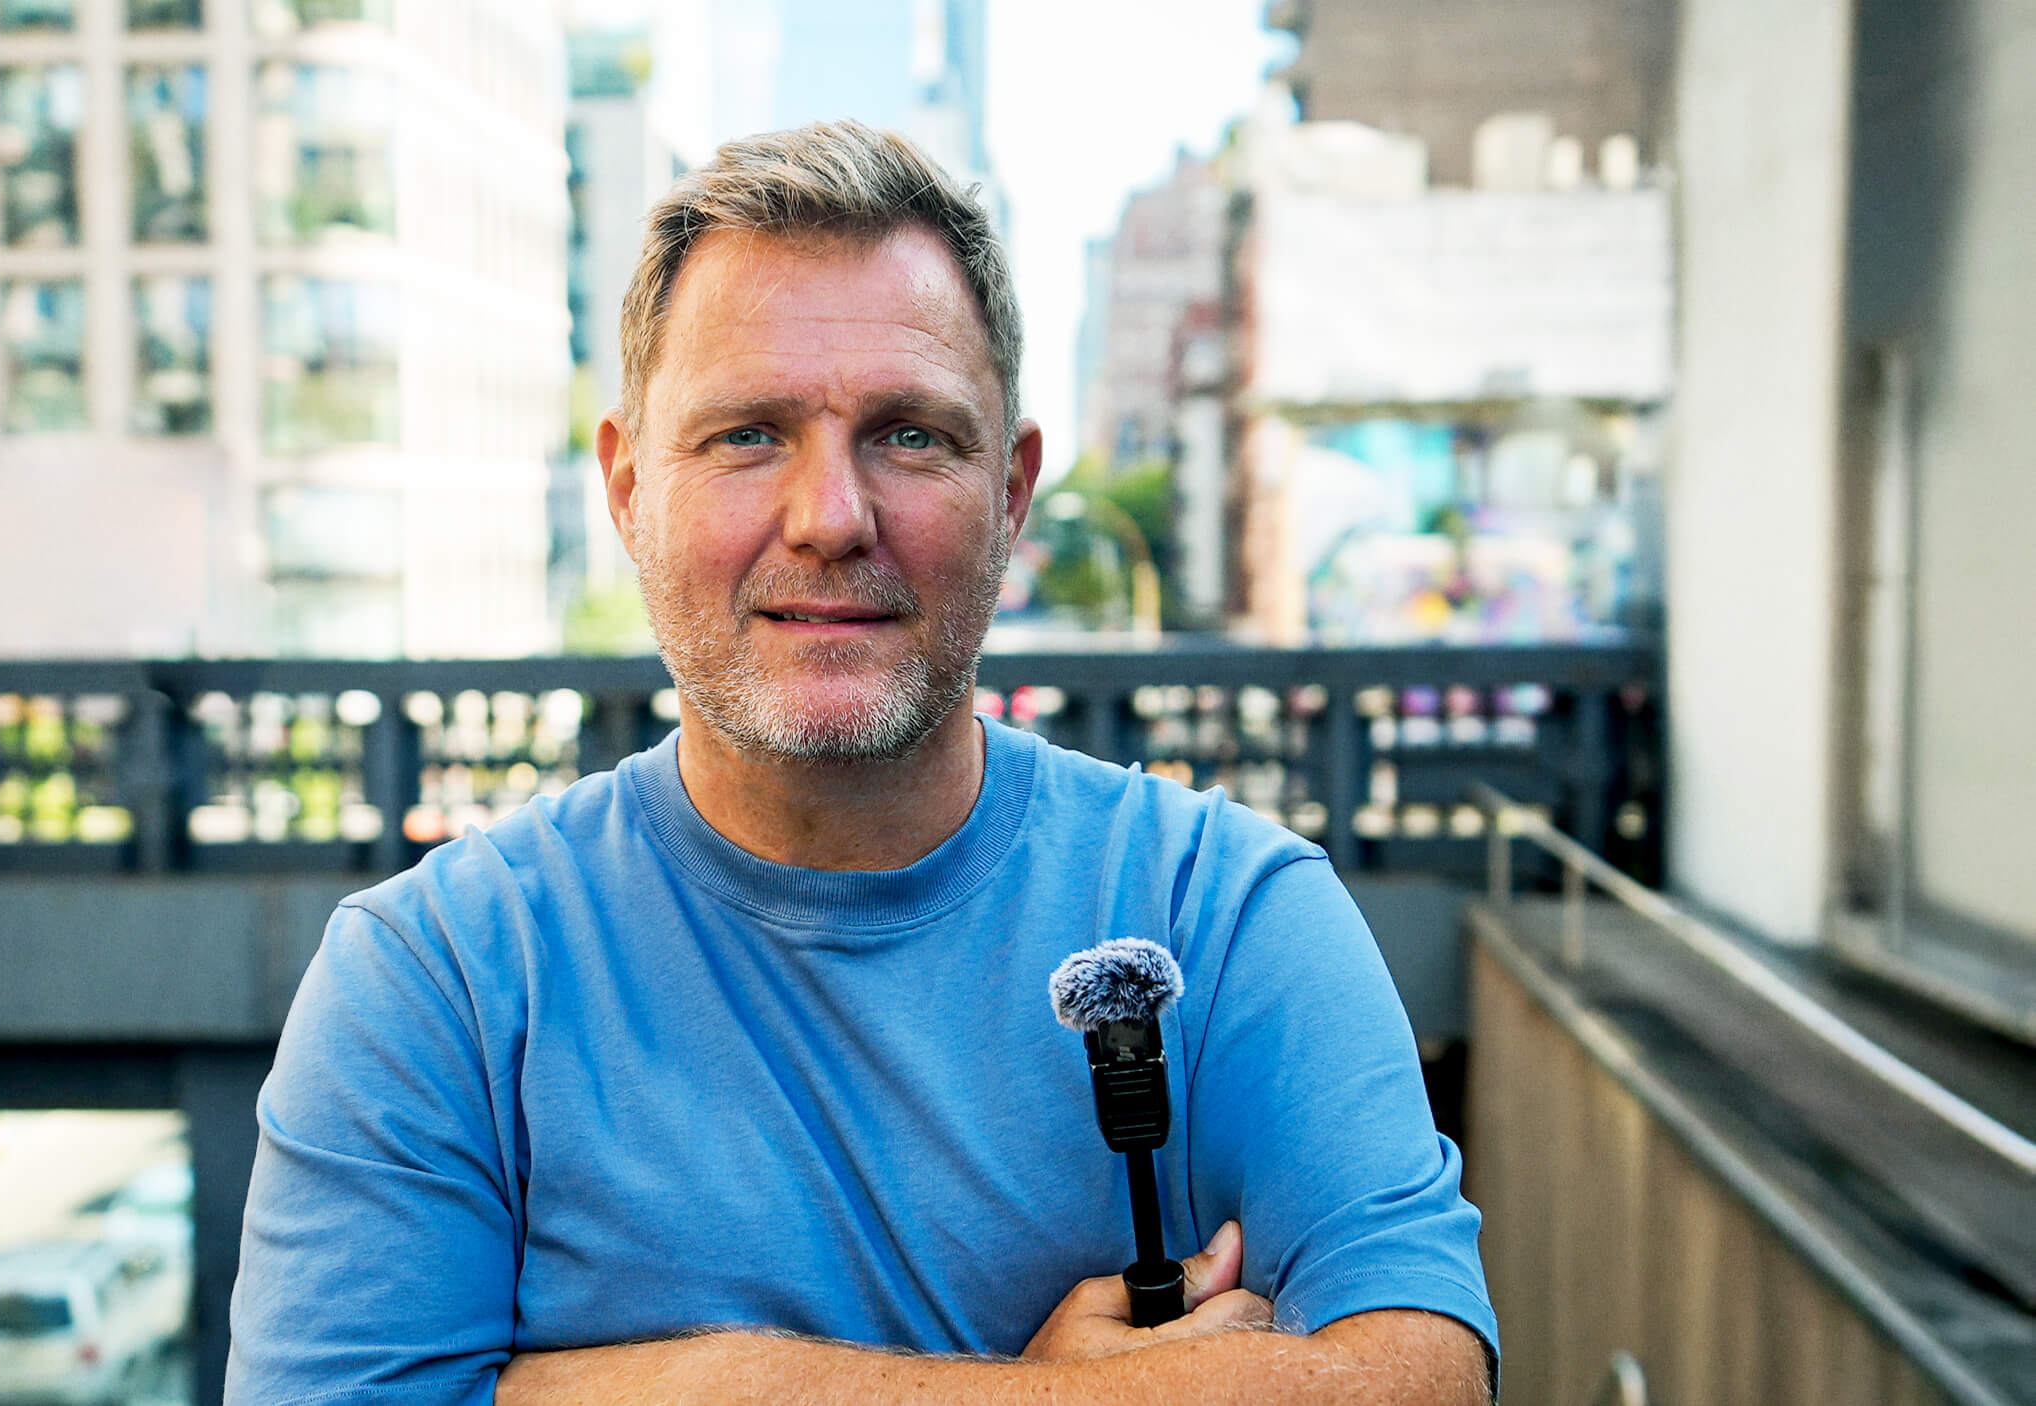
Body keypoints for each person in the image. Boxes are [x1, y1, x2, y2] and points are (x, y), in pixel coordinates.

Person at [228, 122, 1495, 1406]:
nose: (830, 517)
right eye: (744, 435)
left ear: (1010, 493)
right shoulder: (437, 976)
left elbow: (1419, 1377)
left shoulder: (1221, 912)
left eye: (908, 435)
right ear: (624, 491)